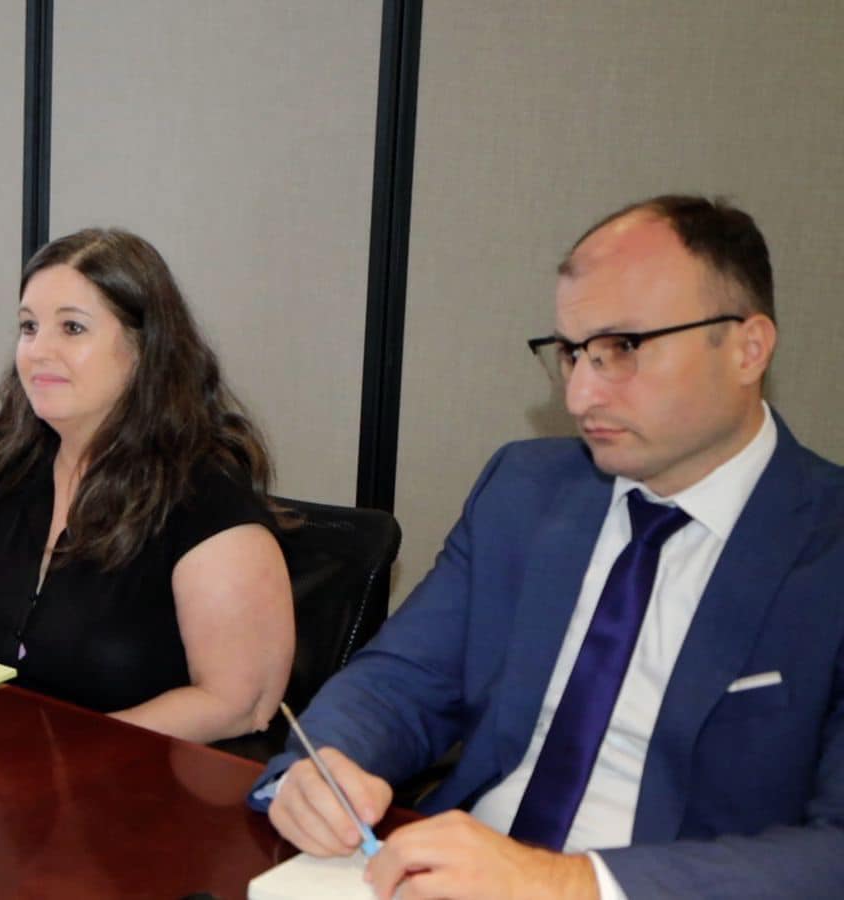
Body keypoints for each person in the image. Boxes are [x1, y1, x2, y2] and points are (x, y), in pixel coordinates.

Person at [255, 196, 844, 899]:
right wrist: (320, 768)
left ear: (748, 349)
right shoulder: (525, 490)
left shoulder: (826, 541)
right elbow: (402, 681)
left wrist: (564, 884)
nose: (580, 394)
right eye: (570, 353)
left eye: (622, 348)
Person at [0, 228, 294, 744]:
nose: (38, 350)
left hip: (136, 777)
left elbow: (239, 703)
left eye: (72, 328)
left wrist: (69, 759)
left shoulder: (206, 502)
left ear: (144, 348)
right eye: (29, 327)